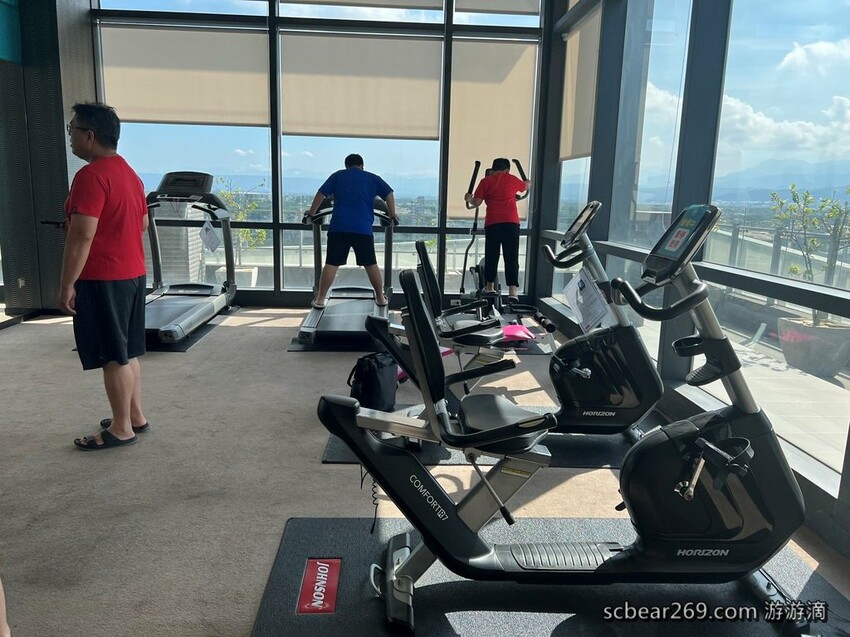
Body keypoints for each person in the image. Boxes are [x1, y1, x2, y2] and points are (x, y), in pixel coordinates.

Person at [59, 102, 150, 450]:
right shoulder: (129, 173)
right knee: (127, 351)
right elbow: (142, 223)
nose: (70, 137)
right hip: (132, 274)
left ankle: (121, 428)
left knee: (113, 356)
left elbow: (82, 236)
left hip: (103, 277)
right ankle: (134, 416)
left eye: (72, 130)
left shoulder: (91, 176)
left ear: (89, 135)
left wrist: (67, 284)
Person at [306, 154, 398, 309]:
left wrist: (312, 212)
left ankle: (320, 299)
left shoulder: (337, 176)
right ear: (362, 165)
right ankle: (381, 298)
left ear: (346, 166)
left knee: (331, 263)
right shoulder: (373, 178)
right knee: (371, 263)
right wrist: (392, 213)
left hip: (339, 228)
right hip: (363, 229)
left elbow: (321, 194)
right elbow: (389, 193)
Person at [464, 157, 531, 301]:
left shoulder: (485, 181)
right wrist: (527, 182)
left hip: (493, 223)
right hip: (511, 223)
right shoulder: (512, 179)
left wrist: (468, 198)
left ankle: (489, 287)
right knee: (511, 256)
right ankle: (513, 292)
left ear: (492, 170)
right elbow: (526, 186)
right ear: (507, 170)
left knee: (492, 255)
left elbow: (476, 202)